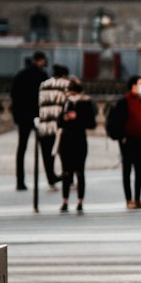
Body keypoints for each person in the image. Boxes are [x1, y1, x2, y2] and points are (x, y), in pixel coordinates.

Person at [106, 75, 141, 209]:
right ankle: (129, 199)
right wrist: (122, 136)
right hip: (128, 140)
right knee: (127, 170)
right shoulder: (124, 102)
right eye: (140, 83)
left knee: (139, 169)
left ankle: (137, 198)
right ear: (133, 86)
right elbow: (117, 121)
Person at [57, 77, 97, 213]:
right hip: (66, 139)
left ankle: (80, 201)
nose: (71, 96)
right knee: (66, 172)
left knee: (80, 171)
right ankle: (65, 201)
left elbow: (91, 123)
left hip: (79, 139)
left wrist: (77, 116)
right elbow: (59, 123)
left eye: (73, 93)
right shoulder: (66, 102)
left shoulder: (86, 103)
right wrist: (65, 118)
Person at [10, 50, 47, 191]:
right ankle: (50, 176)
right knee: (45, 147)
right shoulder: (42, 76)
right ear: (40, 61)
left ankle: (20, 181)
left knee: (22, 148)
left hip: (23, 116)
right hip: (37, 115)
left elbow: (13, 95)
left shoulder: (20, 75)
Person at [36, 64, 70, 190]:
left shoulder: (43, 85)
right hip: (58, 125)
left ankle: (51, 179)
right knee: (64, 153)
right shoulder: (65, 85)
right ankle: (68, 178)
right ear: (64, 75)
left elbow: (39, 103)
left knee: (47, 154)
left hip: (45, 124)